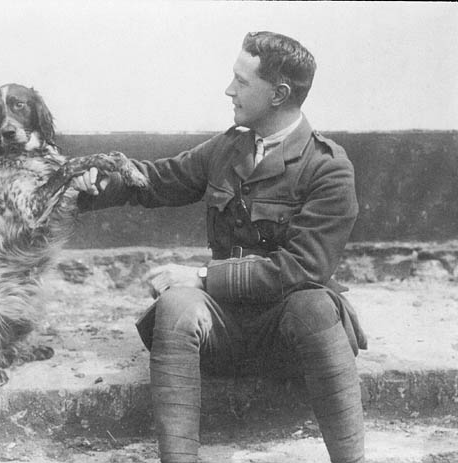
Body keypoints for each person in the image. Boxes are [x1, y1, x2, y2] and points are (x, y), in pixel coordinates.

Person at [72, 31, 367, 463]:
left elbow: (303, 268)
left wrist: (202, 276)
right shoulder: (229, 148)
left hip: (288, 333)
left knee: (315, 305)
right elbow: (157, 179)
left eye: (242, 82)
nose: (229, 90)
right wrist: (95, 179)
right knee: (175, 307)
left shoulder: (328, 167)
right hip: (225, 325)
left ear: (279, 93)